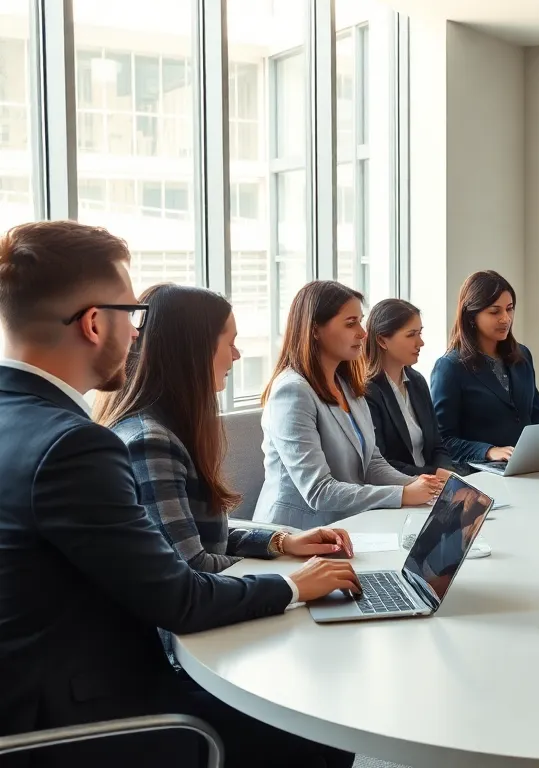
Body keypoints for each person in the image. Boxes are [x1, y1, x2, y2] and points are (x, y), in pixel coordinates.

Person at [0, 220, 358, 766]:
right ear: (95, 323)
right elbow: (180, 599)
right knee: (323, 738)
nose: (137, 333)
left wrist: (282, 547)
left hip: (33, 693)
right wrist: (293, 588)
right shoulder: (74, 447)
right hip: (83, 719)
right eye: (132, 315)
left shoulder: (21, 421)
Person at [94, 284, 356, 574]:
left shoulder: (168, 429)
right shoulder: (151, 441)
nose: (236, 355)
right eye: (230, 343)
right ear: (194, 350)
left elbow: (200, 539)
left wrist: (282, 543)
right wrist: (292, 579)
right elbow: (193, 568)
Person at [255, 281, 442, 528]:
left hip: (348, 524)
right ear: (315, 330)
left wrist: (420, 485)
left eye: (360, 321)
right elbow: (319, 492)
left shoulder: (348, 385)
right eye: (350, 323)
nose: (363, 333)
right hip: (296, 533)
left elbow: (372, 464)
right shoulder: (292, 391)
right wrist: (403, 494)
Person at [430, 270, 539, 468]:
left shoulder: (522, 356)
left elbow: (536, 414)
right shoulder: (449, 367)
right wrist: (488, 451)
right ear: (471, 316)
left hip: (527, 468)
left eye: (509, 309)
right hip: (481, 474)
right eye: (495, 312)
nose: (506, 319)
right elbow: (443, 441)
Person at [363, 298, 454, 478]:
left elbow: (437, 444)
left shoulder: (417, 381)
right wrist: (433, 475)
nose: (420, 342)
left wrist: (447, 474)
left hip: (432, 486)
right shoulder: (367, 390)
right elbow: (381, 462)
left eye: (420, 333)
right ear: (382, 340)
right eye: (411, 334)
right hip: (402, 490)